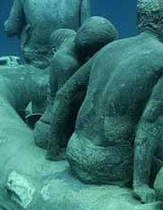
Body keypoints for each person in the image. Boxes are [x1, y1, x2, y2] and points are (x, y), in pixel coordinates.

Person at [45, 0, 163, 203]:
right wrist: (140, 184)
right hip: (108, 165)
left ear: (139, 20)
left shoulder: (109, 48)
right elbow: (151, 122)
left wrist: (52, 149)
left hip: (75, 152)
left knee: (161, 156)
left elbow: (65, 93)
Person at [34, 17, 118, 149]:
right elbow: (63, 108)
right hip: (53, 131)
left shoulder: (71, 37)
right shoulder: (68, 65)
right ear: (94, 52)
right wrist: (53, 149)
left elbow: (56, 35)